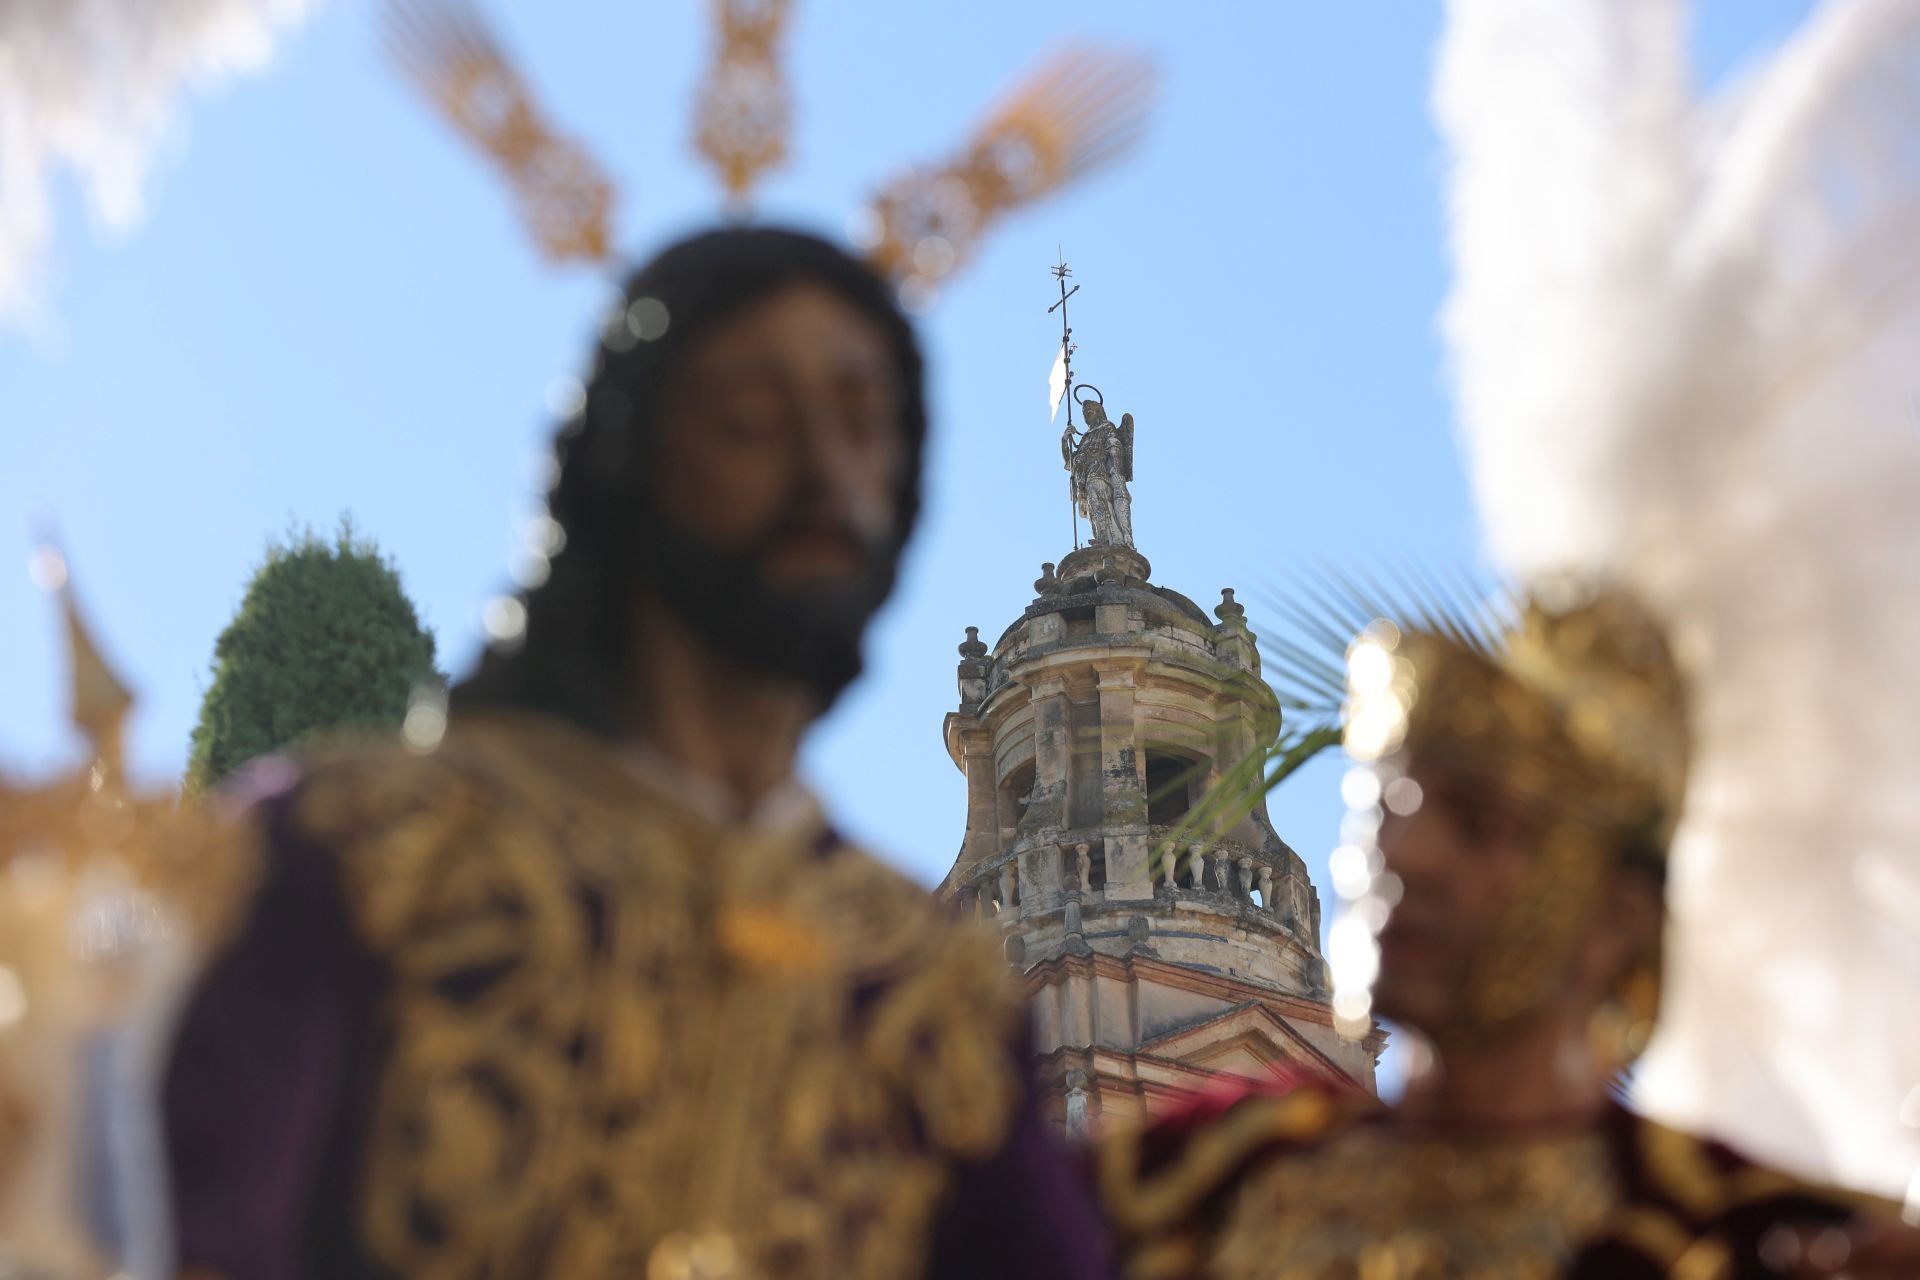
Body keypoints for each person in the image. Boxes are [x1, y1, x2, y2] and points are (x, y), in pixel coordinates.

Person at [162, 227, 1109, 1280]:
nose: (828, 472)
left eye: (864, 425)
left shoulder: (929, 994)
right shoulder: (367, 852)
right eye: (751, 419)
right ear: (629, 454)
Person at [1093, 587, 1919, 1279]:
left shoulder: (1758, 1240)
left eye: (1480, 824)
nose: (1404, 853)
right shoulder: (1182, 1189)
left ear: (1616, 920)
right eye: (1385, 807)